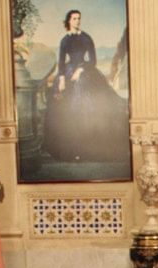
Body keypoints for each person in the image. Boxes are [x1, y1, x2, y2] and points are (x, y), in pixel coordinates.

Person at [42, 9, 130, 164]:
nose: (77, 21)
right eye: (74, 18)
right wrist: (62, 78)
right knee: (64, 110)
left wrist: (80, 69)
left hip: (86, 71)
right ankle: (68, 151)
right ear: (68, 21)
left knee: (86, 108)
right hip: (67, 72)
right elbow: (61, 62)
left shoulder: (86, 37)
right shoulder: (64, 40)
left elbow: (93, 60)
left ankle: (88, 150)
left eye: (79, 18)